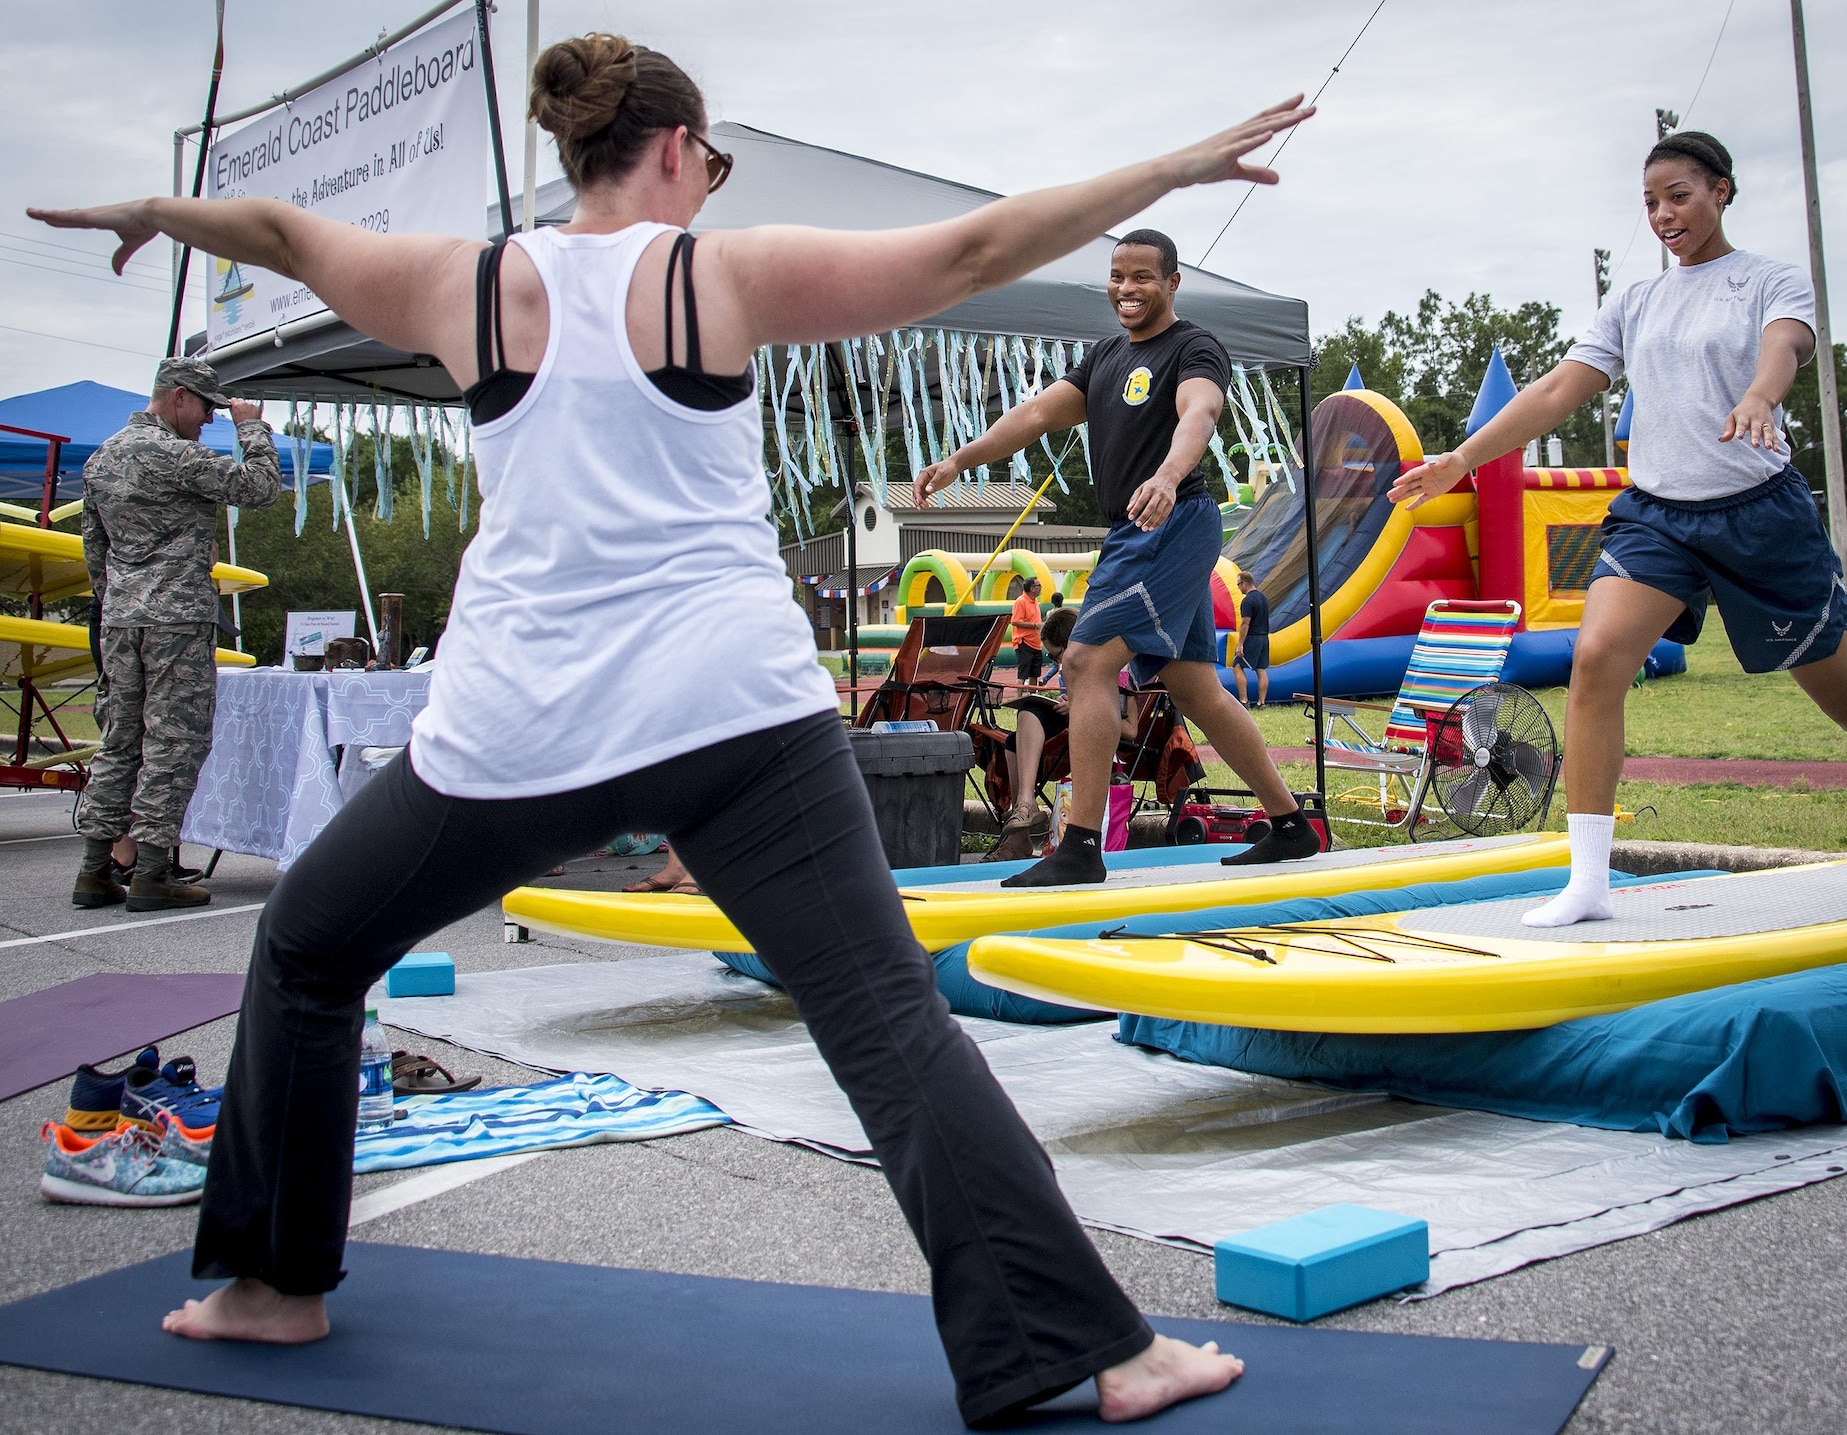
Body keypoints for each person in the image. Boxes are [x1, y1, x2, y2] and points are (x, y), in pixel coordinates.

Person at [34, 38, 1312, 1424]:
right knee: (883, 1014)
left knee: (307, 947)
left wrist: (163, 217)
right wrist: (1177, 165)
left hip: (517, 735)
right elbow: (974, 249)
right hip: (732, 719)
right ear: (670, 149)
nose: (712, 182)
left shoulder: (468, 282)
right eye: (710, 162)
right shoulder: (718, 275)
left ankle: (272, 1283)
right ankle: (1086, 1347)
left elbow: (280, 230)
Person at [1390, 130, 1847, 927]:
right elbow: (1558, 391)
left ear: (1722, 190)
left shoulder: (1767, 280)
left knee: (1845, 694)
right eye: (1650, 202)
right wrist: (1462, 457)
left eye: (1678, 196)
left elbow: (1785, 344)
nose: (1662, 214)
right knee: (1595, 658)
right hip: (1659, 515)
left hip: (1760, 512)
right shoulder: (1636, 301)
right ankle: (1588, 880)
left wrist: (1761, 395)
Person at [916, 229, 1319, 887]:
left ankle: (1079, 846)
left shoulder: (1194, 347)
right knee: (1195, 687)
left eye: (1142, 277)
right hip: (1138, 528)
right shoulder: (1103, 357)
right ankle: (1292, 824)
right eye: (1117, 276)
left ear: (1172, 282)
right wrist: (962, 458)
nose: (1127, 289)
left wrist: (1165, 474)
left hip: (1170, 519)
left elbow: (1201, 411)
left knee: (1083, 659)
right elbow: (1038, 413)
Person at [71, 357, 280, 911]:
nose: (209, 419)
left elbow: (95, 549)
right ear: (181, 396)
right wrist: (250, 427)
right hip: (176, 619)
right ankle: (152, 873)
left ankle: (94, 870)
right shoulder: (176, 456)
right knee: (173, 742)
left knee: (119, 741)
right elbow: (260, 488)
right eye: (208, 407)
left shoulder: (102, 457)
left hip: (120, 617)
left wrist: (119, 598)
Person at [987, 606, 1147, 861]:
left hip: (1099, 739)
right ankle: (1025, 807)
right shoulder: (1078, 669)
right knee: (1018, 729)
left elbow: (1129, 730)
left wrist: (1078, 708)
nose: (1057, 663)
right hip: (1075, 729)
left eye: (1056, 655)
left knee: (1020, 730)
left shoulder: (1115, 669)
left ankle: (1021, 828)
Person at [1231, 570, 1271, 707]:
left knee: (1237, 666)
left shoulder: (1248, 601)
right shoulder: (1263, 598)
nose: (1238, 587)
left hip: (1252, 637)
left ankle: (1243, 701)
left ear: (1244, 583)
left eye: (1238, 584)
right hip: (1264, 637)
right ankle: (1262, 702)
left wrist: (1240, 644)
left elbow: (1245, 624)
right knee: (1261, 669)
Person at [1010, 575, 1046, 687]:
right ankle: (1018, 698)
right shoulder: (1020, 601)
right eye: (1039, 585)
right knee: (1022, 674)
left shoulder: (1035, 602)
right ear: (1032, 588)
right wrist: (1035, 625)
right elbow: (1015, 621)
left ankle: (1032, 699)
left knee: (1034, 674)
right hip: (1024, 642)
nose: (1041, 587)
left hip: (1036, 643)